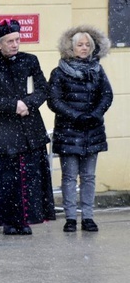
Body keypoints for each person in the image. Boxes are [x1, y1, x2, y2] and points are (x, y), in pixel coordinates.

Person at [0, 19, 55, 235]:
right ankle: (9, 221)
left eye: (18, 40)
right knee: (7, 179)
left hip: (30, 128)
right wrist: (14, 105)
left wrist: (27, 104)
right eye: (10, 41)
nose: (15, 44)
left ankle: (28, 219)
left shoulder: (30, 61)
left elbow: (42, 89)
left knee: (30, 176)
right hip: (4, 131)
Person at [47, 26, 113, 233]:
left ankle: (88, 217)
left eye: (87, 45)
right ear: (70, 47)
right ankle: (70, 218)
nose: (84, 48)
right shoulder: (59, 72)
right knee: (69, 177)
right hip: (69, 131)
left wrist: (94, 114)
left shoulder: (98, 70)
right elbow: (54, 100)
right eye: (79, 45)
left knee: (89, 176)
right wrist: (75, 116)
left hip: (92, 130)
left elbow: (107, 95)